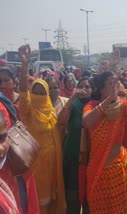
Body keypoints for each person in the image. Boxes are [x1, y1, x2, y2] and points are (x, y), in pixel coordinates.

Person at [82, 71, 127, 214]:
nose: (115, 87)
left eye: (116, 83)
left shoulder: (123, 105)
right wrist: (109, 99)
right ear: (101, 88)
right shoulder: (91, 106)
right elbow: (87, 122)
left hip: (119, 168)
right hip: (99, 170)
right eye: (111, 83)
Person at [18, 45, 66, 214]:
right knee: (38, 204)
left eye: (42, 92)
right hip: (35, 166)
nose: (38, 95)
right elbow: (23, 91)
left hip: (53, 164)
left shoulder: (51, 111)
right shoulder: (28, 112)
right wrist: (25, 65)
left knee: (51, 203)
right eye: (35, 92)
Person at [58, 78, 93, 214]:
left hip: (91, 158)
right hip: (73, 157)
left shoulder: (96, 106)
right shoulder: (74, 104)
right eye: (82, 86)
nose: (85, 89)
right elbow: (61, 120)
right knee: (72, 196)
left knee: (89, 197)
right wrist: (72, 97)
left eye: (88, 86)